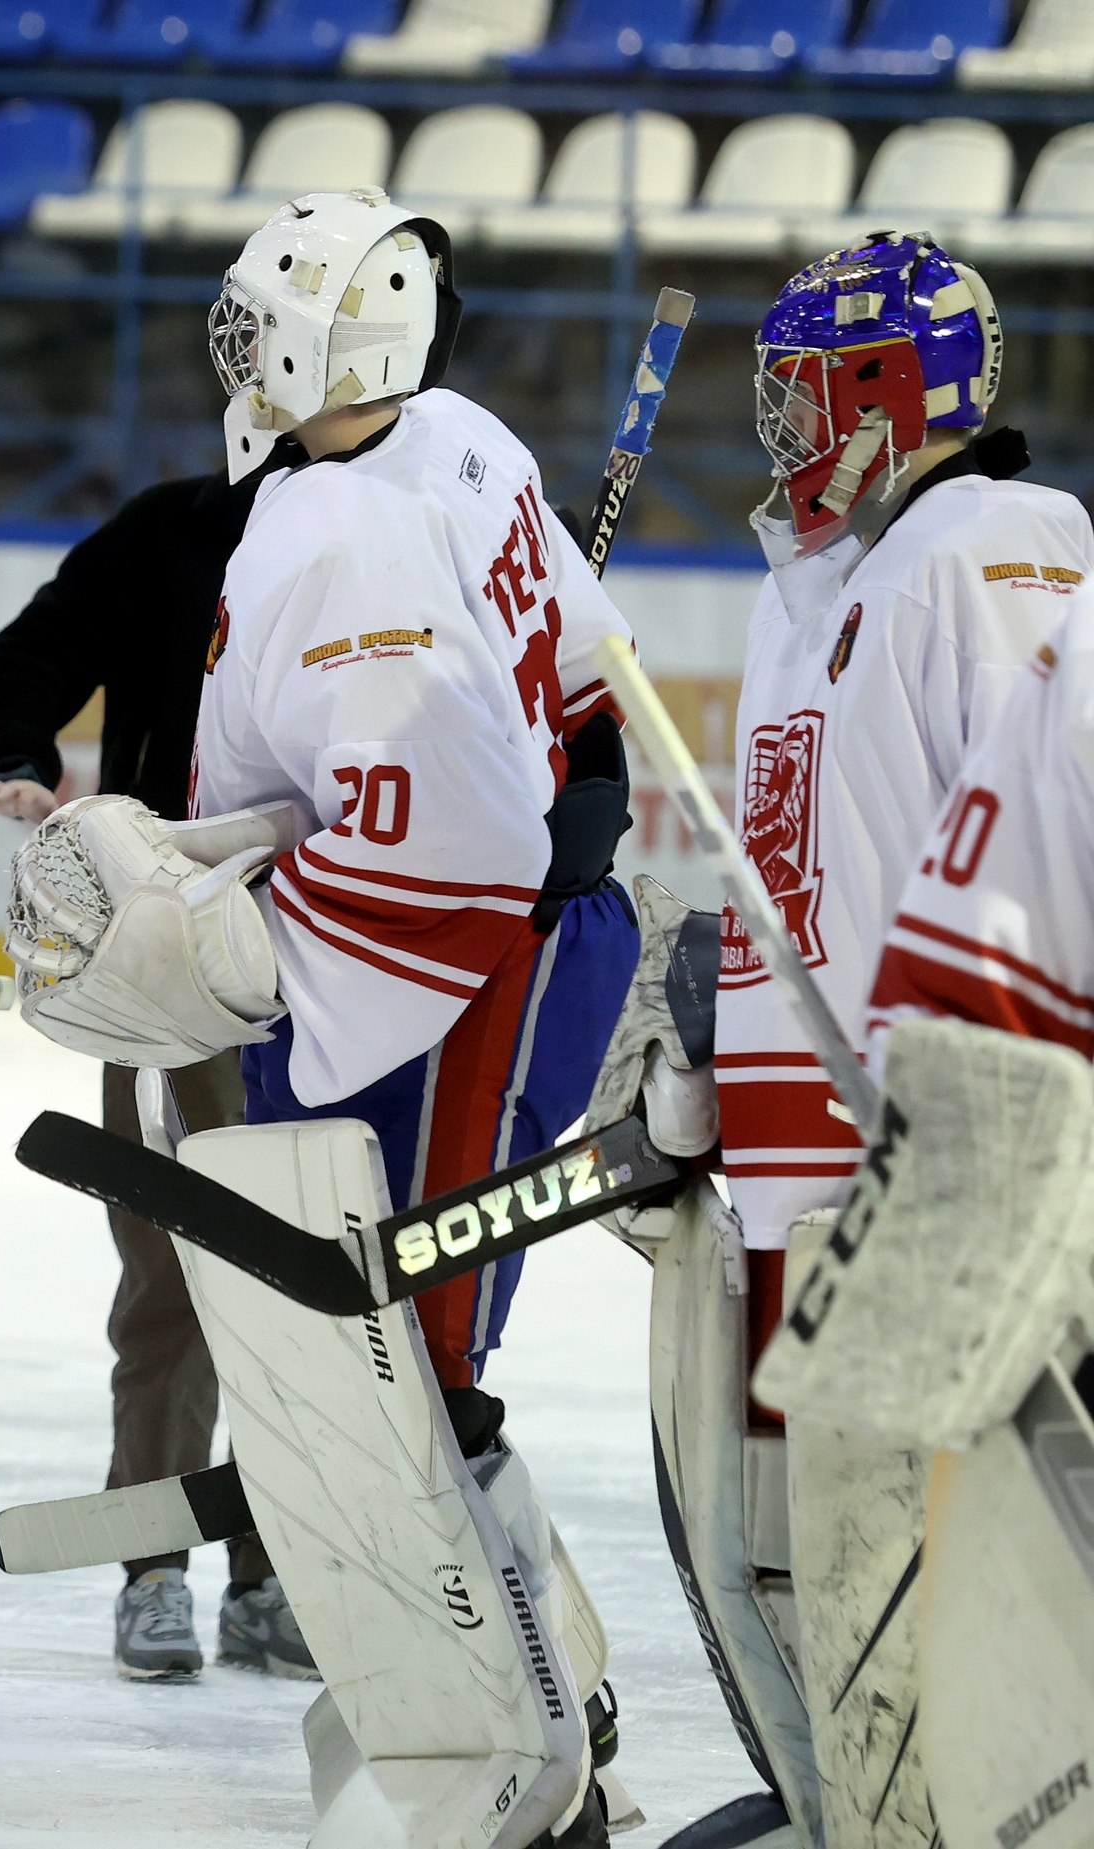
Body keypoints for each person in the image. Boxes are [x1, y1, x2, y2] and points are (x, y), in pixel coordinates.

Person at [5, 187, 637, 1843]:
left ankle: (515, 1730)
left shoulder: (337, 530)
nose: (228, 340)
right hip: (506, 950)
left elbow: (454, 843)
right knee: (400, 1368)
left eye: (252, 315)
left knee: (407, 1374)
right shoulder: (455, 440)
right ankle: (537, 1711)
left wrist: (234, 948)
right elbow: (585, 687)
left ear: (305, 346)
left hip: (461, 980)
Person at [646, 231, 1092, 1849]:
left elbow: (1038, 847)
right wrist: (711, 1012)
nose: (780, 422)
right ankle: (863, 1812)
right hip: (806, 1164)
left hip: (927, 1162)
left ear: (897, 392)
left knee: (947, 1558)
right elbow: (808, 860)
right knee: (819, 1551)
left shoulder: (1005, 544)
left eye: (810, 387)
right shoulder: (825, 579)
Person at [0, 469, 295, 1681]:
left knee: (315, 1285)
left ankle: (282, 1569)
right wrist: (16, 747)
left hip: (351, 970)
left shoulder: (406, 524)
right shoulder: (178, 530)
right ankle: (155, 1564)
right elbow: (27, 658)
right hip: (175, 969)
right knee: (173, 1277)